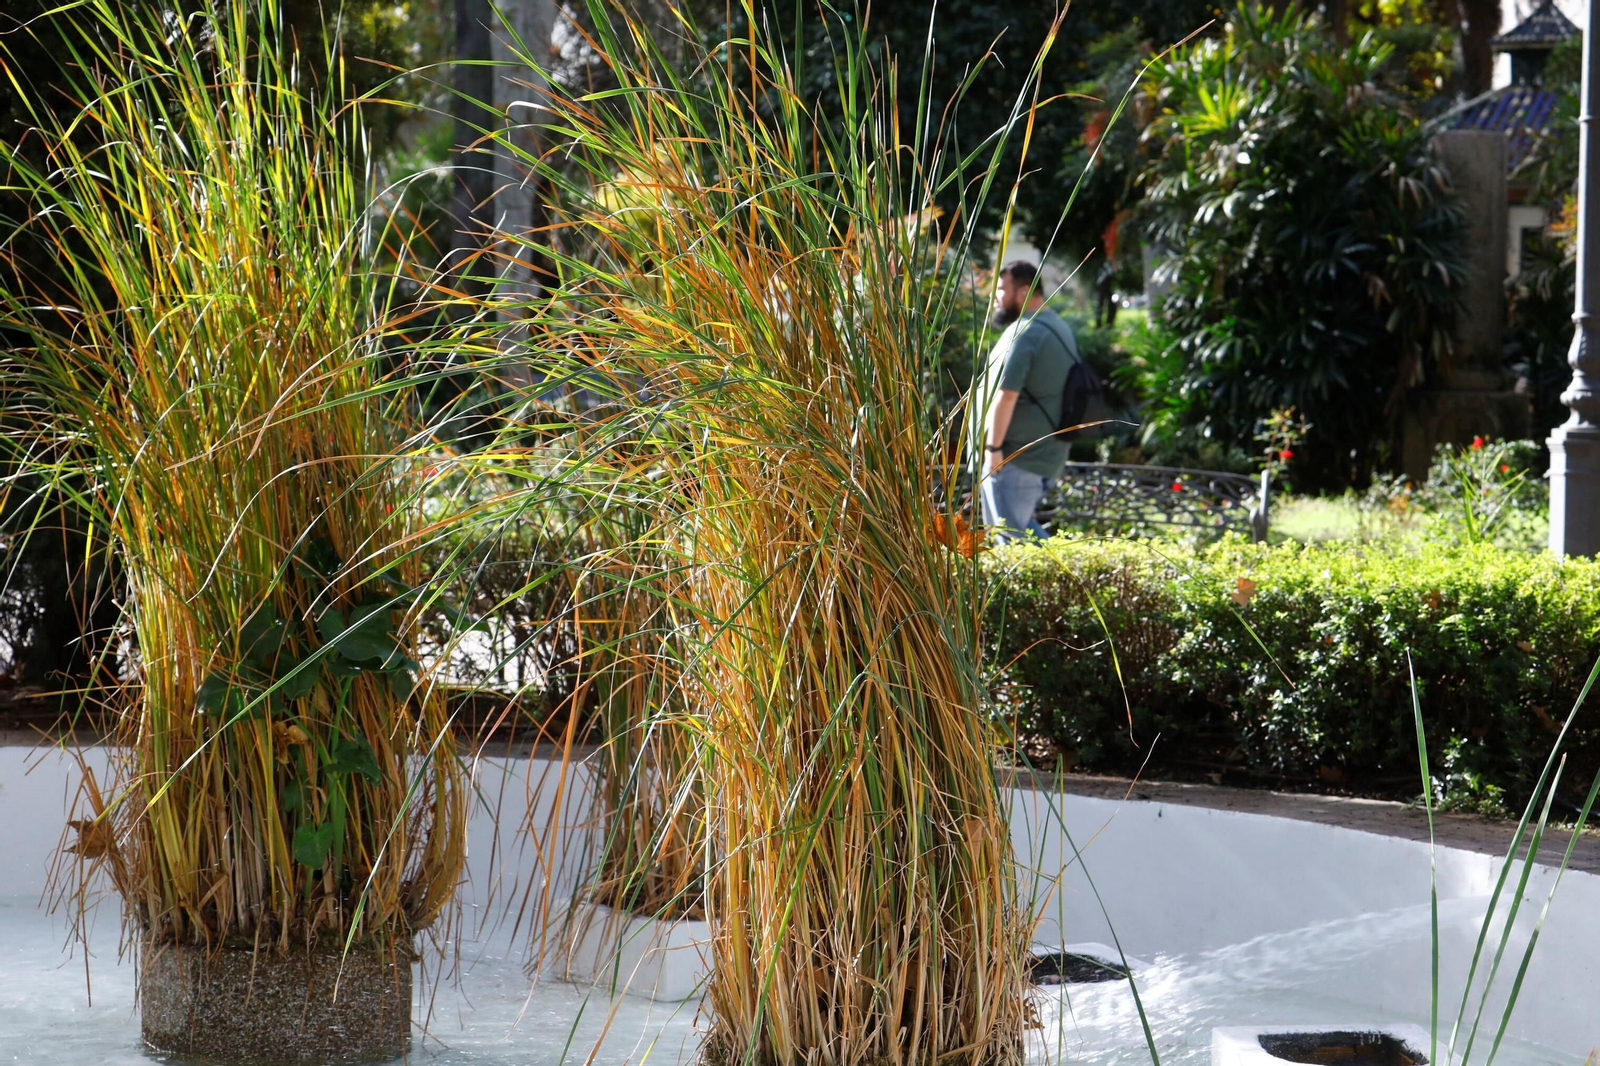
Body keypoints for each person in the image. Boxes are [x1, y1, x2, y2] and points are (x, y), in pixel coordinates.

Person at [973, 260, 1078, 539]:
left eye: (1001, 289)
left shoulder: (1029, 331)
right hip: (1033, 456)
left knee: (1011, 540)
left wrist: (993, 449)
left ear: (1023, 291)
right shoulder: (1056, 325)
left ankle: (1066, 569)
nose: (996, 296)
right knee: (1015, 535)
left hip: (1015, 458)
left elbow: (1007, 396)